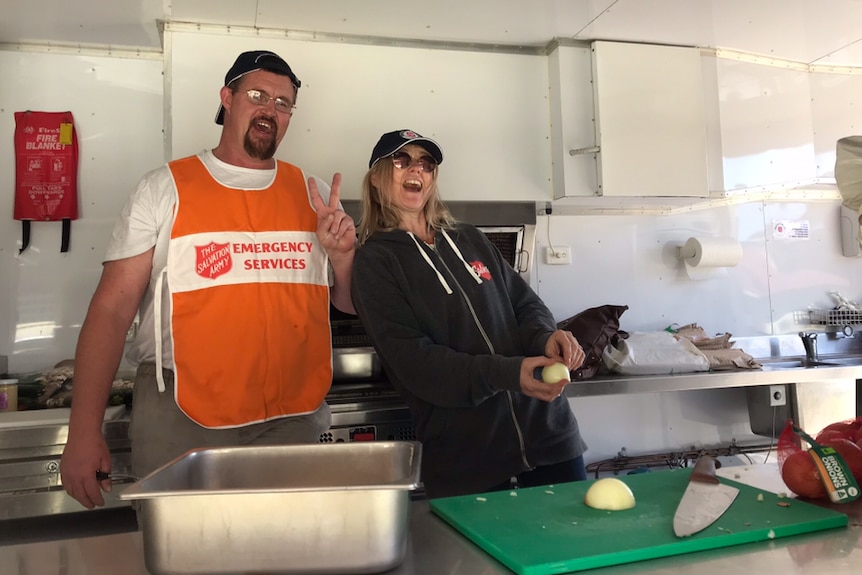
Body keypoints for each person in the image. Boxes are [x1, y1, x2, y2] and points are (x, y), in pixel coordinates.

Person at [60, 50, 356, 509]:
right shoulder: (164, 189)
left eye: (283, 103)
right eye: (257, 95)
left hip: (292, 420)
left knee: (284, 554)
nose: (270, 110)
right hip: (182, 418)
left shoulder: (312, 195)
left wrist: (343, 256)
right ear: (227, 97)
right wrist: (83, 431)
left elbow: (351, 304)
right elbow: (111, 311)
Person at [350, 129, 588, 499]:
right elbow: (416, 363)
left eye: (426, 164)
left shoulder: (469, 238)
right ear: (377, 178)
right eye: (402, 160)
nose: (417, 169)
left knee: (574, 550)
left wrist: (546, 336)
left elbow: (524, 304)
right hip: (471, 461)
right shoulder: (376, 262)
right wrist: (509, 374)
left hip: (550, 439)